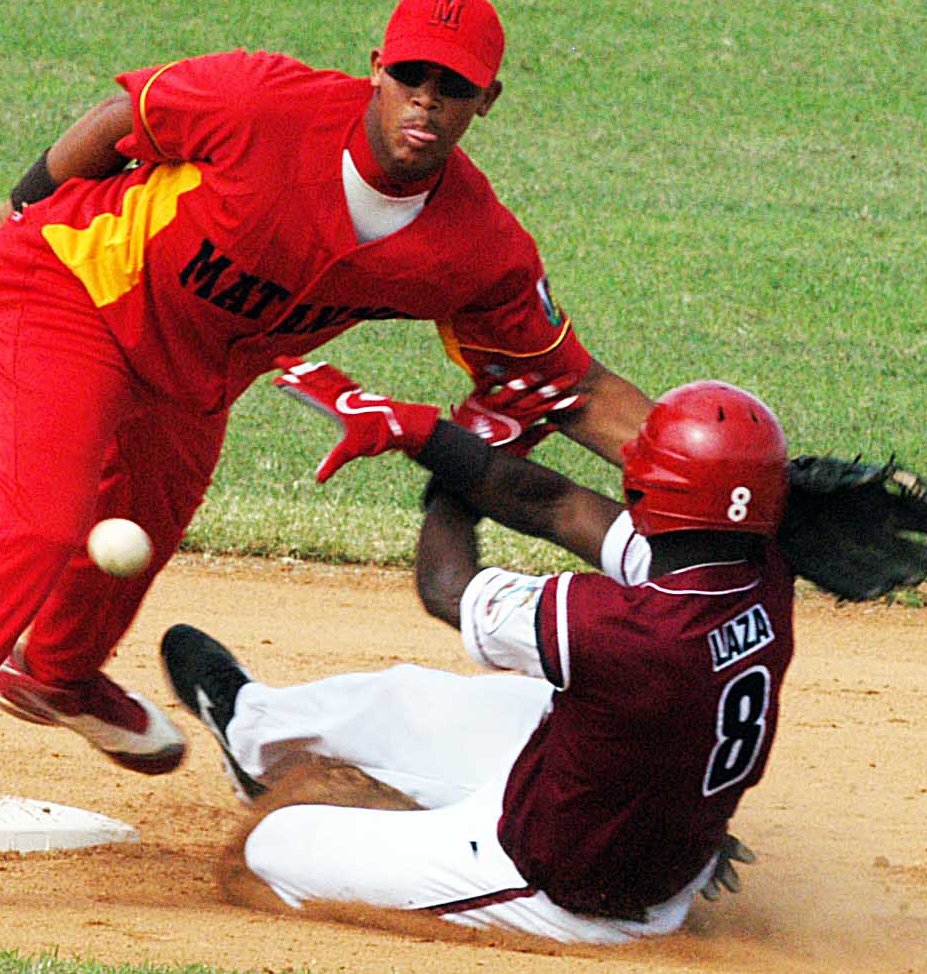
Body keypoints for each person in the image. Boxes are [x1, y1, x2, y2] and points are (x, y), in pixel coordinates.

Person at [0, 0, 655, 907]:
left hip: (193, 367)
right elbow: (132, 113)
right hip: (71, 289)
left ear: (486, 101)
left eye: (452, 86)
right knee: (36, 529)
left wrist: (722, 481)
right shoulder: (262, 104)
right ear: (377, 67)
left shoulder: (473, 246)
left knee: (147, 528)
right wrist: (23, 203)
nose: (426, 100)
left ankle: (55, 676)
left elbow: (568, 385)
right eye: (410, 75)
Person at [161, 368, 794, 944]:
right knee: (413, 696)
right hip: (631, 806)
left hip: (562, 887)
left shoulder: (621, 630)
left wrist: (448, 483)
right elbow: (555, 505)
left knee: (268, 850)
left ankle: (400, 825)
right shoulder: (759, 575)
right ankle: (253, 728)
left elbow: (446, 587)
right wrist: (422, 432)